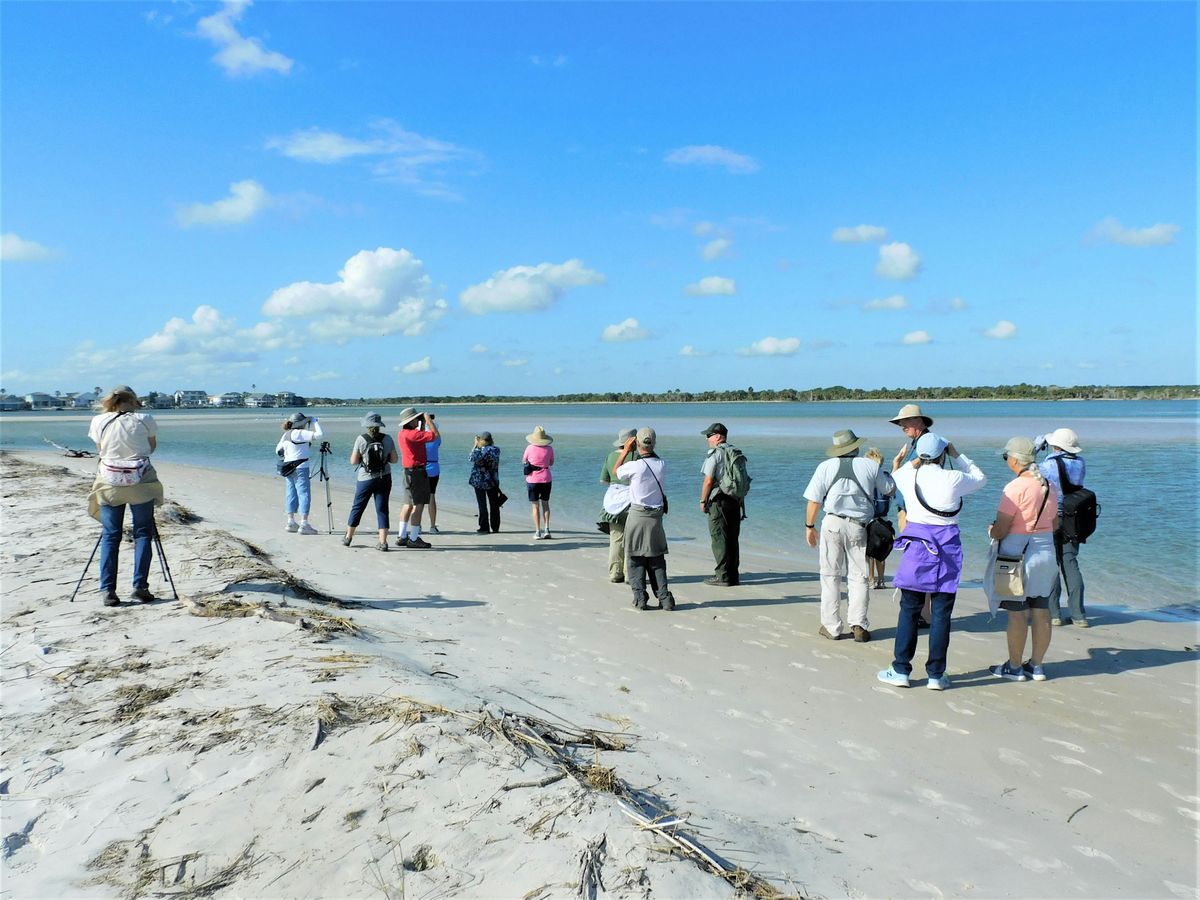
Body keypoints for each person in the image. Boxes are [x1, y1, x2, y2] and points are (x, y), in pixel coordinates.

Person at [878, 433, 987, 690]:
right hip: (947, 547)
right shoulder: (954, 477)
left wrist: (916, 460)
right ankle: (936, 675)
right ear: (942, 455)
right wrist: (957, 454)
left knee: (909, 609)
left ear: (921, 456)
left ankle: (901, 669)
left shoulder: (909, 475)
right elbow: (981, 478)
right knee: (941, 614)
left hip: (917, 545)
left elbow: (895, 477)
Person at [803, 430, 896, 642]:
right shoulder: (870, 466)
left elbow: (814, 501)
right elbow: (889, 489)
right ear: (855, 448)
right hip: (859, 526)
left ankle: (832, 627)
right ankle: (859, 625)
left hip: (832, 524)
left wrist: (809, 526)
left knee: (829, 576)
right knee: (859, 577)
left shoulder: (825, 467)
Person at [986, 437, 1059, 682]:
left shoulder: (1014, 487)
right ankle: (1036, 666)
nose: (1006, 461)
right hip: (1046, 552)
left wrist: (991, 530)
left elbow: (1001, 529)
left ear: (1015, 460)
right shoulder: (1048, 485)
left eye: (1006, 457)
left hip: (1017, 554)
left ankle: (1015, 667)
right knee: (1041, 610)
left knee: (1017, 613)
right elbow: (1055, 523)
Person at [87, 385, 165, 606]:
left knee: (111, 535)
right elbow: (150, 449)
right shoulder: (144, 418)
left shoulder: (98, 421)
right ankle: (140, 587)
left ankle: (108, 591)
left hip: (109, 483)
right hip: (141, 482)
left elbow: (101, 449)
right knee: (143, 533)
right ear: (134, 400)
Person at [888, 403, 944, 628]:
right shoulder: (917, 442)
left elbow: (921, 475)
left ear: (919, 422)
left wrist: (899, 465)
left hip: (916, 513)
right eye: (901, 423)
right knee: (919, 561)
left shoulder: (927, 444)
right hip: (911, 511)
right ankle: (923, 612)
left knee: (920, 561)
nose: (902, 426)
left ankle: (923, 613)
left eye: (906, 422)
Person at [614, 427, 675, 611]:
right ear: (654, 443)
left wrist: (626, 450)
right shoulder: (662, 464)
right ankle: (664, 598)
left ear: (637, 444)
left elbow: (616, 471)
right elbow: (652, 456)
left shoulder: (635, 466)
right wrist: (643, 447)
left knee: (635, 557)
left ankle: (640, 598)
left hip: (638, 515)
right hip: (656, 517)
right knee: (656, 558)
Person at [1036, 427, 1088, 627]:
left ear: (1055, 445)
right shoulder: (1081, 462)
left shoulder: (1049, 464)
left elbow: (1030, 474)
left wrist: (1035, 449)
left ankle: (1054, 613)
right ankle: (1079, 615)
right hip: (1073, 517)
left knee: (1050, 564)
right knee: (1070, 562)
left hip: (1051, 517)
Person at [342, 412, 398, 551]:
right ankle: (383, 542)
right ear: (379, 426)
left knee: (358, 507)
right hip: (384, 477)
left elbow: (353, 461)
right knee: (382, 509)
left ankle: (348, 537)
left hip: (365, 478)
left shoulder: (361, 439)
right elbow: (394, 460)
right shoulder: (388, 439)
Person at [699, 422, 740, 586]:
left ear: (717, 437)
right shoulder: (735, 452)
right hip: (735, 500)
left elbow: (708, 480)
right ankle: (733, 575)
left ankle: (722, 576)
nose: (707, 439)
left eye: (709, 436)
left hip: (719, 500)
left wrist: (703, 500)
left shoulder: (715, 454)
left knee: (719, 538)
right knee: (732, 538)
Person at [394, 407, 439, 549]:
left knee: (407, 504)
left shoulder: (402, 433)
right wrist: (428, 421)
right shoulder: (414, 435)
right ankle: (413, 537)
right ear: (412, 421)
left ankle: (402, 536)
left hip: (407, 472)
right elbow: (435, 435)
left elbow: (420, 435)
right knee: (418, 505)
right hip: (417, 473)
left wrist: (421, 424)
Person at [275, 411, 324, 535]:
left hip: (287, 467)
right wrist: (314, 422)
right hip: (301, 467)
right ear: (302, 423)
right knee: (304, 493)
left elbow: (277, 451)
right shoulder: (300, 433)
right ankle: (304, 524)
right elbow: (320, 435)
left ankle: (290, 521)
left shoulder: (286, 434)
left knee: (291, 493)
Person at [599, 428, 637, 583]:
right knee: (632, 539)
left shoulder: (610, 456)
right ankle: (630, 574)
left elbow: (604, 480)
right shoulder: (638, 457)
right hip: (631, 502)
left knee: (616, 539)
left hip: (613, 501)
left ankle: (615, 572)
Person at [864, 448, 893, 590]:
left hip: (869, 519)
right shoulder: (885, 476)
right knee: (881, 552)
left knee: (869, 552)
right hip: (884, 519)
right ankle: (881, 580)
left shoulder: (865, 477)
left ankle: (871, 579)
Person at [523, 425, 555, 540]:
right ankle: (547, 529)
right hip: (546, 477)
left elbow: (524, 460)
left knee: (535, 506)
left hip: (532, 479)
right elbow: (551, 463)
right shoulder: (550, 449)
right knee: (545, 504)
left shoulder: (529, 448)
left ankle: (537, 531)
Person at [469, 431, 502, 534]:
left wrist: (475, 444)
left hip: (479, 480)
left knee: (482, 504)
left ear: (481, 440)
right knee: (494, 504)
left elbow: (471, 457)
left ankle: (484, 527)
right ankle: (495, 527)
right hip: (493, 480)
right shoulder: (496, 450)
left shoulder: (479, 450)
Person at [425, 432, 442, 533]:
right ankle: (432, 526)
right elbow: (437, 436)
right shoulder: (436, 439)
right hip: (433, 468)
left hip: (421, 468)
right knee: (431, 496)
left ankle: (417, 526)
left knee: (418, 498)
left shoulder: (419, 438)